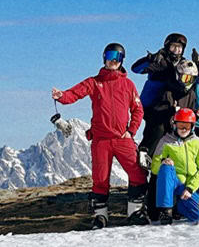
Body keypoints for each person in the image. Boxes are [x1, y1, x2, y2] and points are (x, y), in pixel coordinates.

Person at [51, 43, 148, 229]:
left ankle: (135, 212)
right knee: (100, 179)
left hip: (122, 139)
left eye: (118, 57)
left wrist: (131, 131)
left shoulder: (128, 84)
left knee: (137, 172)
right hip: (101, 140)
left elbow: (138, 110)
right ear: (104, 57)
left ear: (122, 61)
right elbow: (74, 93)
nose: (113, 60)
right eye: (110, 56)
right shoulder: (94, 82)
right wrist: (61, 96)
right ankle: (100, 216)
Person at [151, 108, 199, 225]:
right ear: (174, 124)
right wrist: (162, 162)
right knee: (165, 168)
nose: (183, 129)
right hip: (172, 181)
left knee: (197, 215)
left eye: (187, 126)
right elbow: (154, 166)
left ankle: (177, 205)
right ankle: (166, 211)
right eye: (180, 125)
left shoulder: (198, 142)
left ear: (192, 126)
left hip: (187, 186)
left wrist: (190, 188)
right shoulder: (166, 141)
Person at [141, 59, 199, 157]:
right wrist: (172, 111)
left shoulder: (191, 95)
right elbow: (157, 114)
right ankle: (147, 153)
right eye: (185, 78)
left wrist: (196, 114)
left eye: (191, 79)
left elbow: (190, 114)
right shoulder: (168, 92)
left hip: (179, 131)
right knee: (159, 129)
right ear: (178, 76)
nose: (188, 82)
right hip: (164, 129)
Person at [132, 33, 187, 109]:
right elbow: (136, 69)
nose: (176, 50)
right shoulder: (159, 60)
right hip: (152, 104)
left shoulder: (183, 64)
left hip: (172, 105)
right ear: (168, 46)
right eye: (173, 46)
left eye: (179, 47)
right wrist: (149, 60)